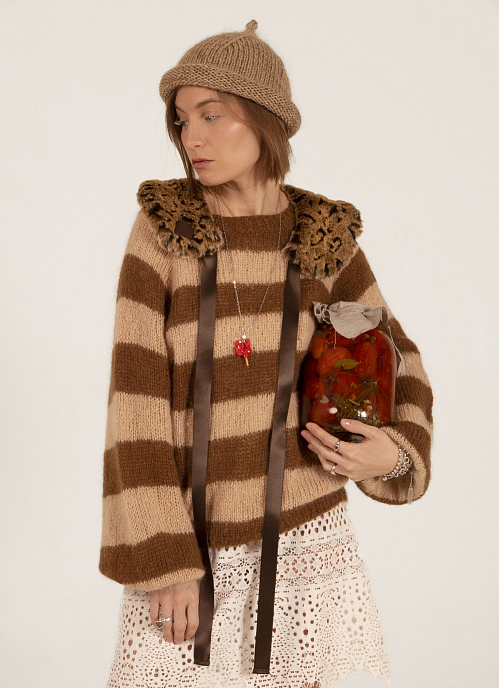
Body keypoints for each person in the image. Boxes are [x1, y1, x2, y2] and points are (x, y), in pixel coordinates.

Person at [99, 20, 433, 687]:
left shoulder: (322, 236)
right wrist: (167, 560)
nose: (191, 137)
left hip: (305, 539)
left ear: (265, 119)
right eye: (181, 119)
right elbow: (135, 406)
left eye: (211, 114)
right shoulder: (166, 228)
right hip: (190, 540)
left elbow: (399, 359)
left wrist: (395, 452)